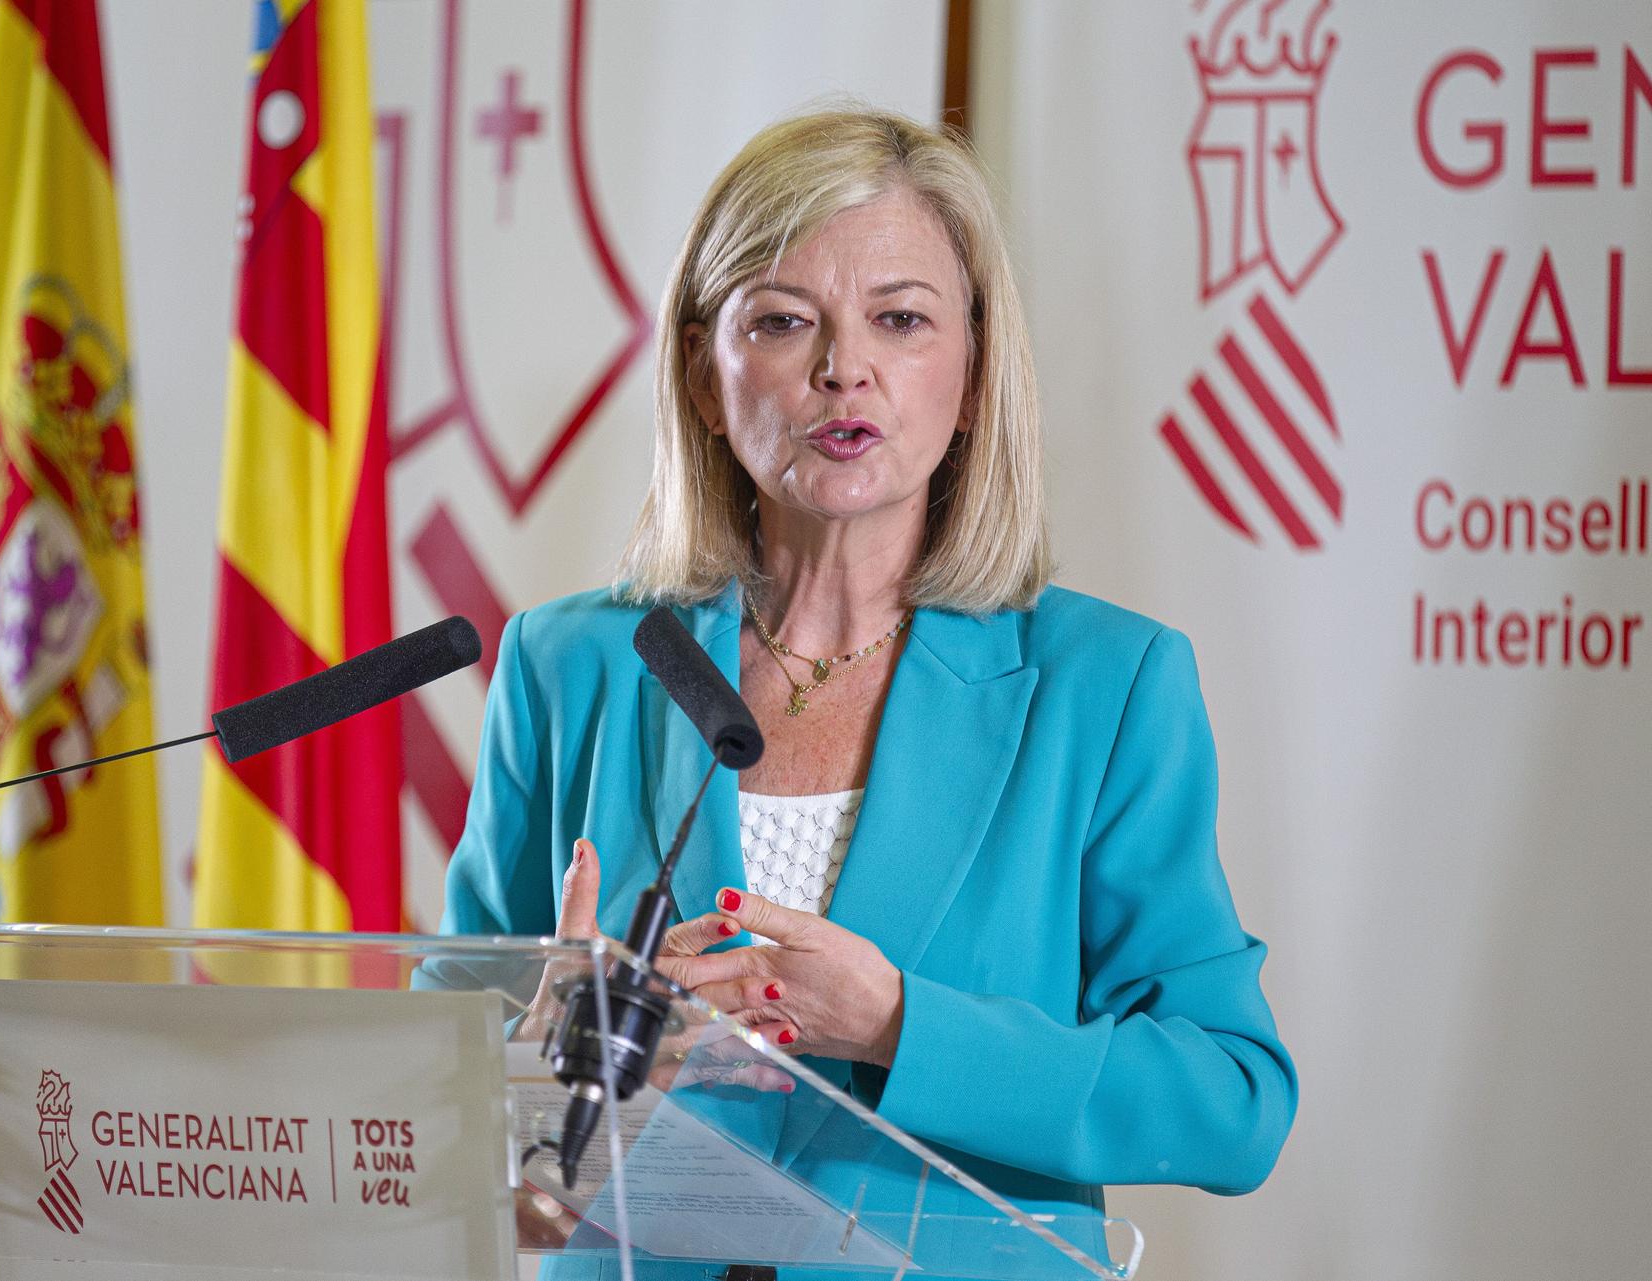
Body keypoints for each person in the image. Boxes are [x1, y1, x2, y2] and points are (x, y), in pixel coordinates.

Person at [440, 106, 1296, 1269]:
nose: (844, 368)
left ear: (973, 366)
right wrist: (534, 1055)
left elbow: (1230, 1098)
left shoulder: (1105, 687)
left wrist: (899, 1026)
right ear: (702, 370)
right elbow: (440, 1079)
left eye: (899, 319)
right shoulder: (566, 665)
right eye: (784, 322)